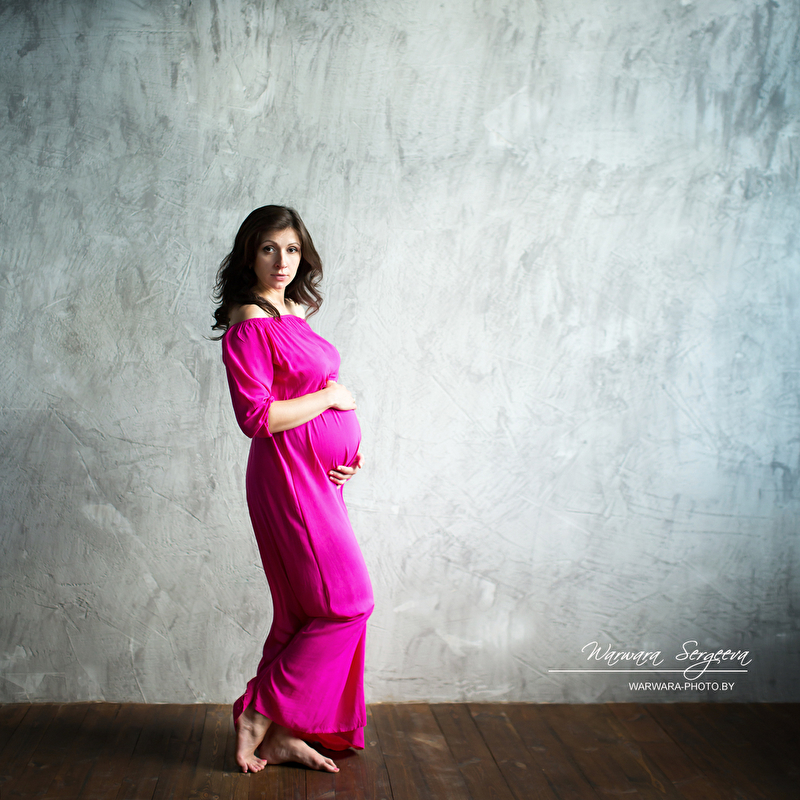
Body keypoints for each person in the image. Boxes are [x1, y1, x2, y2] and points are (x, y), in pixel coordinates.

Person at [212, 206, 374, 774]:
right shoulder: (249, 319)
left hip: (317, 480)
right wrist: (331, 400)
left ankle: (281, 737)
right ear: (249, 254)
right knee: (348, 603)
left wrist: (346, 453)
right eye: (268, 249)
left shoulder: (290, 313)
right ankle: (258, 715)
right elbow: (257, 417)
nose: (282, 261)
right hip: (287, 480)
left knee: (302, 613)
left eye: (292, 249)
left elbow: (303, 393)